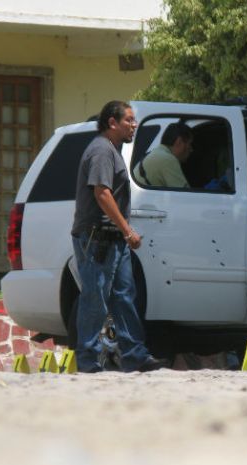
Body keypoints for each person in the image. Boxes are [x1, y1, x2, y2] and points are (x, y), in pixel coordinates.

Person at [70, 100, 170, 373]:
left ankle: (135, 355)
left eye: (134, 120)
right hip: (97, 239)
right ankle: (87, 361)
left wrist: (123, 233)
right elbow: (101, 193)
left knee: (124, 296)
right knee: (95, 299)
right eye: (128, 120)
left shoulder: (112, 150)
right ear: (112, 123)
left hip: (114, 240)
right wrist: (128, 230)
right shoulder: (102, 151)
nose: (134, 125)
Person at [133, 121, 193, 188]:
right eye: (189, 144)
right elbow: (185, 195)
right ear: (179, 142)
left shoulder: (158, 153)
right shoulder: (168, 159)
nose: (191, 150)